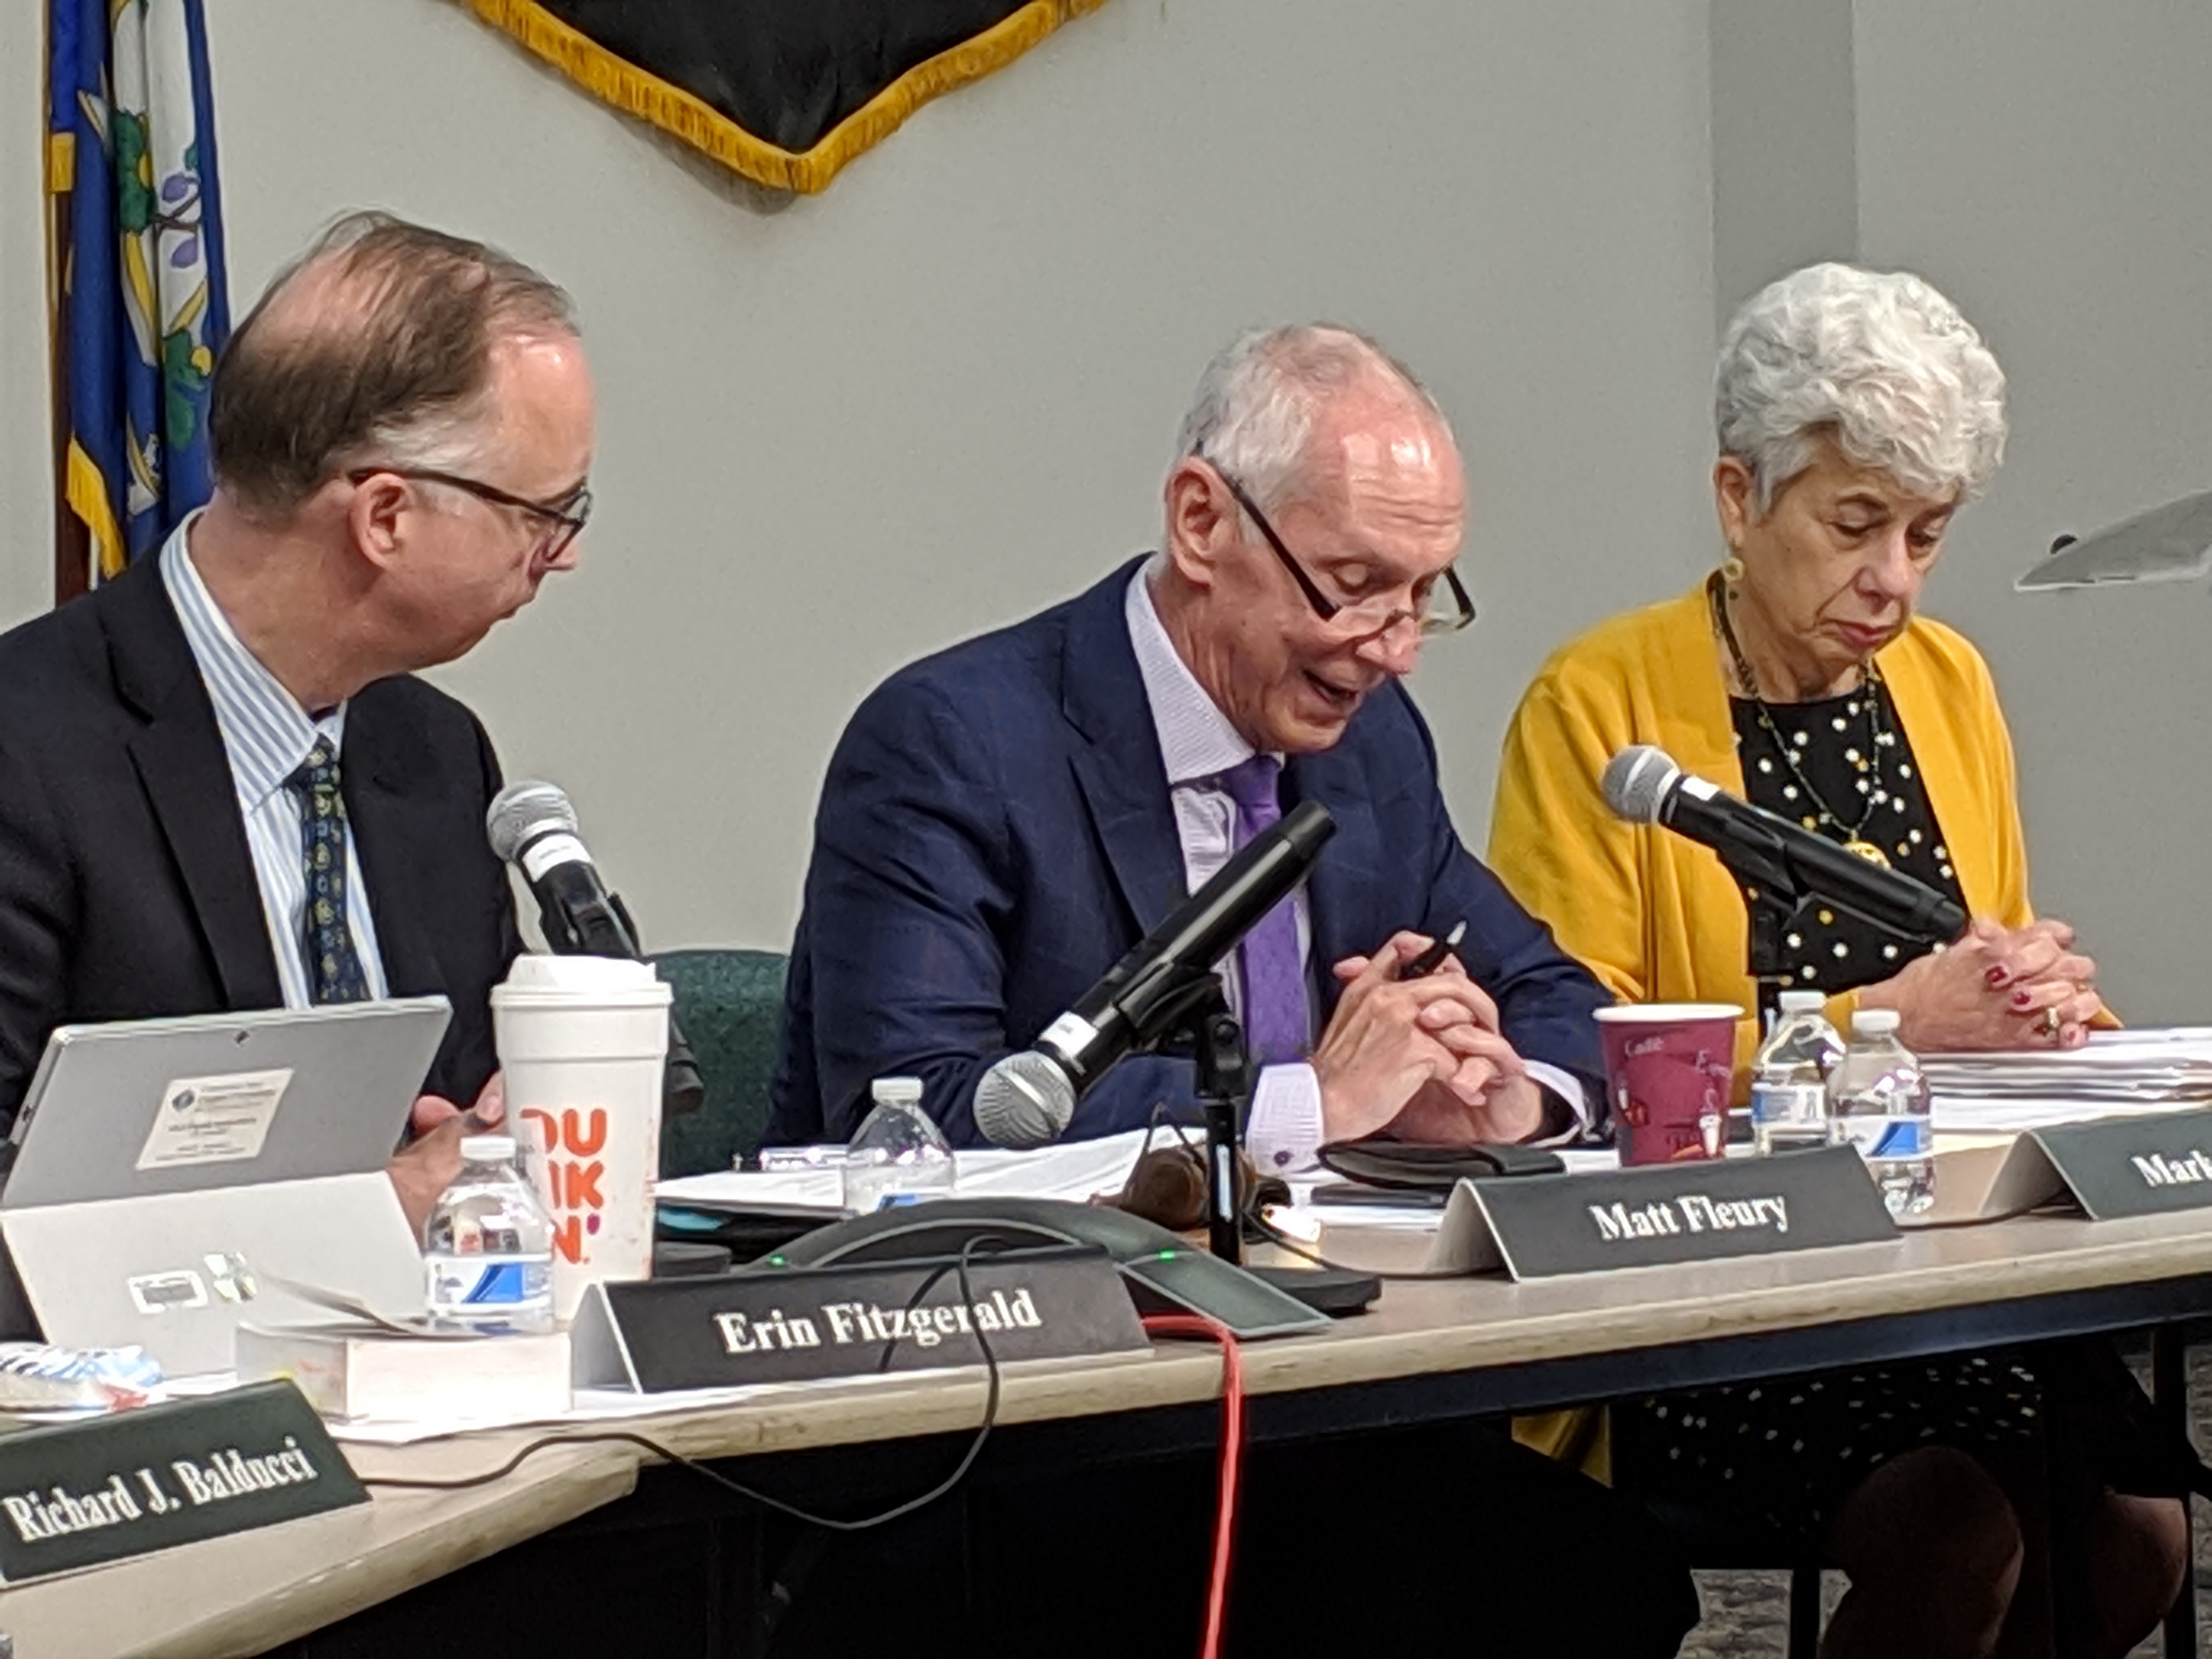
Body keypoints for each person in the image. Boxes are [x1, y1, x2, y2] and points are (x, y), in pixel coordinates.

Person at [764, 326, 1697, 1658]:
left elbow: (1550, 990)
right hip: (1035, 1426)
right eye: (1357, 587)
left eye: (1425, 596)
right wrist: (1311, 1101)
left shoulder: (1372, 745)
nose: (1395, 648)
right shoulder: (954, 741)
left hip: (1328, 1383)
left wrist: (1502, 1097)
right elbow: (912, 1122)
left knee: (1604, 1579)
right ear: (1203, 521)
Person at [1491, 263, 2189, 1657]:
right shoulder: (1599, 705)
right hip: (1714, 1296)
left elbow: (1985, 964)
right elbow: (1566, 1071)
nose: (1894, 582)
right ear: (1739, 499)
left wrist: (2049, 1007)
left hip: (1952, 1269)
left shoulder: (1949, 682)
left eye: (1928, 534)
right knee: (1957, 1532)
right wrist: (1884, 1026)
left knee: (2140, 1542)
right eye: (1857, 524)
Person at [0, 211, 592, 1229]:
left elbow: (458, 1118)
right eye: (545, 515)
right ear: (385, 517)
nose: (564, 555)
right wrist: (360, 1219)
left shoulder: (438, 753)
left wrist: (506, 1119)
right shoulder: (26, 752)